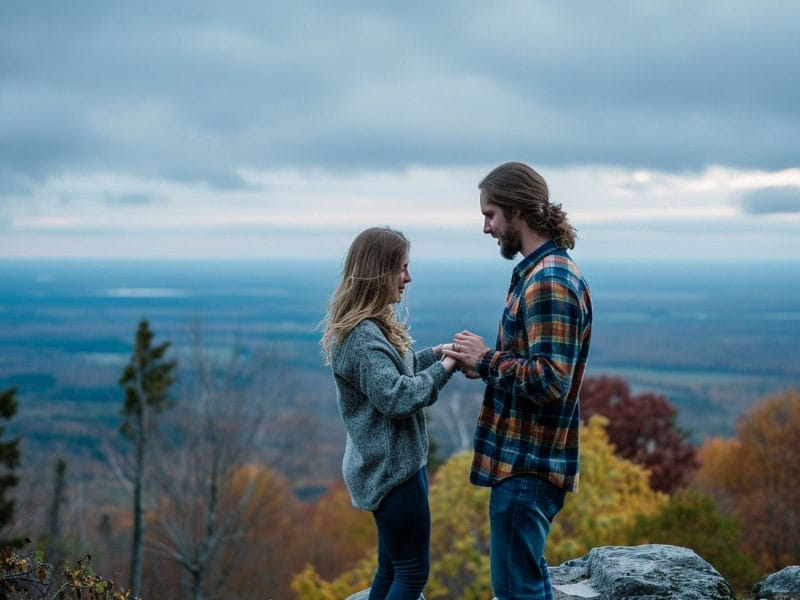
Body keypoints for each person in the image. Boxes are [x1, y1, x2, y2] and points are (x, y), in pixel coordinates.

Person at [443, 162, 593, 600]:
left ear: (516, 212)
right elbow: (534, 364)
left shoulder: (549, 281)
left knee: (515, 592)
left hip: (528, 466)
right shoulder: (537, 272)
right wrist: (483, 364)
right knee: (525, 585)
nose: (486, 227)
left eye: (490, 214)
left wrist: (487, 359)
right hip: (522, 464)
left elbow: (550, 379)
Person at [321, 226, 459, 600]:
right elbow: (397, 397)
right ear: (378, 271)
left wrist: (438, 353)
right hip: (393, 472)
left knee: (392, 567)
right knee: (413, 573)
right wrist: (445, 368)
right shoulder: (364, 337)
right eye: (401, 268)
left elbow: (400, 367)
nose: (408, 278)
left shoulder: (366, 329)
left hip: (381, 468)